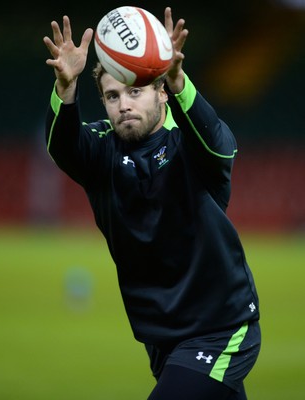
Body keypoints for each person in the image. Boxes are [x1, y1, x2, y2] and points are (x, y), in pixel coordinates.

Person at [43, 7, 261, 400]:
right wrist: (65, 87)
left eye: (135, 90)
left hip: (219, 328)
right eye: (112, 95)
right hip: (162, 337)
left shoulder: (188, 145)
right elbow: (63, 147)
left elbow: (220, 147)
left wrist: (179, 81)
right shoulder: (101, 151)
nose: (124, 104)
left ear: (160, 91)